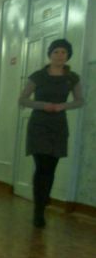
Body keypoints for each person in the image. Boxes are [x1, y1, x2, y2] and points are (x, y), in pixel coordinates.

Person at [19, 38, 84, 228]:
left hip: (59, 126)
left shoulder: (72, 78)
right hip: (39, 125)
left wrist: (63, 106)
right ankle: (38, 211)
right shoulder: (38, 76)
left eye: (63, 52)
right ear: (50, 54)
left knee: (51, 168)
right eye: (56, 52)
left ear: (68, 55)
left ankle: (43, 199)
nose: (60, 55)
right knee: (42, 167)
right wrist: (43, 105)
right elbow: (23, 99)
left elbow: (80, 101)